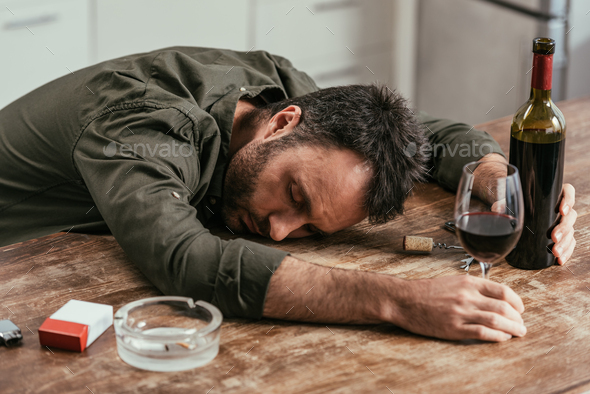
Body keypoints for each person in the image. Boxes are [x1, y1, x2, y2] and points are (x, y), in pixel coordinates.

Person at [0, 46, 577, 342]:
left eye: (307, 229)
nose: (279, 231)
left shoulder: (286, 95)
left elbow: (433, 136)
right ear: (284, 124)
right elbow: (189, 263)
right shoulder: (141, 123)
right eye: (295, 195)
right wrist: (399, 301)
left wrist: (504, 189)